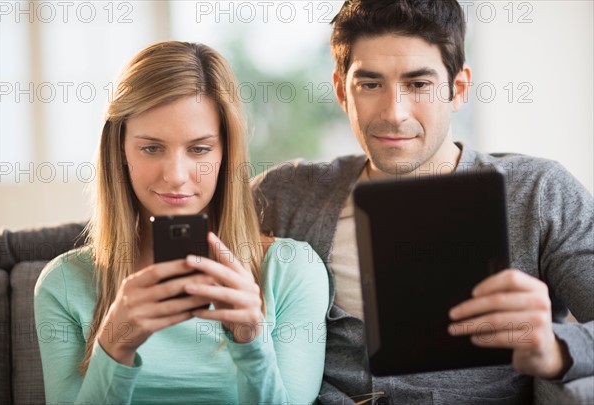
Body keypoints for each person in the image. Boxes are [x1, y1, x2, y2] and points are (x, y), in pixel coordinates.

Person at [252, 0, 594, 403]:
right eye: (370, 84)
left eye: (418, 84)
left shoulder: (539, 192)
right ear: (342, 92)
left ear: (459, 89)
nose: (394, 113)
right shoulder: (288, 193)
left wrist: (555, 349)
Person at [34, 41, 329, 404]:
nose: (175, 175)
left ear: (226, 153)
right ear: (120, 151)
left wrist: (253, 342)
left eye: (199, 149)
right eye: (152, 148)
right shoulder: (64, 284)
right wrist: (112, 346)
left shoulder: (291, 271)